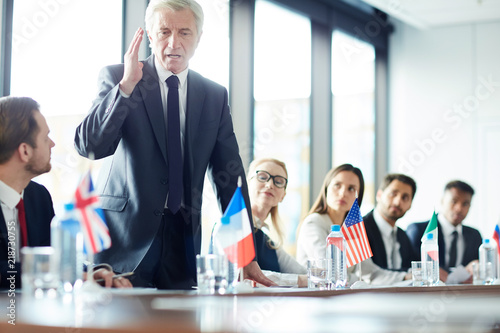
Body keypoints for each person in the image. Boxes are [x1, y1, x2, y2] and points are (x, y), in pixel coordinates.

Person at [74, 0, 273, 289]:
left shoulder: (214, 95)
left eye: (184, 33)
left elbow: (229, 177)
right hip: (123, 239)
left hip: (182, 243)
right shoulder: (119, 77)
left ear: (199, 38)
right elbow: (91, 146)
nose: (173, 43)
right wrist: (126, 89)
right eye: (164, 31)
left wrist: (245, 253)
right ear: (150, 36)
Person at [0, 96, 131, 289]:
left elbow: (57, 256)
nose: (52, 144)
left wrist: (91, 272)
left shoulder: (39, 197)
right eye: (45, 138)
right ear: (25, 151)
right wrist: (57, 271)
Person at [296, 164, 409, 285]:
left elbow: (371, 273)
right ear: (326, 188)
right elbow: (330, 272)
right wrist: (356, 278)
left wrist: (406, 277)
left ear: (358, 197)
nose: (342, 193)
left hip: (342, 297)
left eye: (351, 189)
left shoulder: (351, 228)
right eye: (337, 185)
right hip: (316, 296)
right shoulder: (314, 222)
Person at [247, 158, 307, 287]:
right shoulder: (233, 226)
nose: (270, 185)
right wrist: (300, 281)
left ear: (283, 195)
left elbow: (302, 272)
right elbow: (242, 276)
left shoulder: (268, 242)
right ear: (248, 184)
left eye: (278, 181)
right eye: (262, 177)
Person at [407, 180, 482, 272]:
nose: (459, 208)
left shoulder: (474, 235)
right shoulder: (419, 230)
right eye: (454, 201)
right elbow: (411, 267)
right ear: (442, 201)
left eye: (465, 204)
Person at [364, 174, 417, 272]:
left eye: (405, 198)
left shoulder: (403, 236)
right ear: (379, 195)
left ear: (410, 205)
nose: (397, 202)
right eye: (393, 194)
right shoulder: (360, 229)